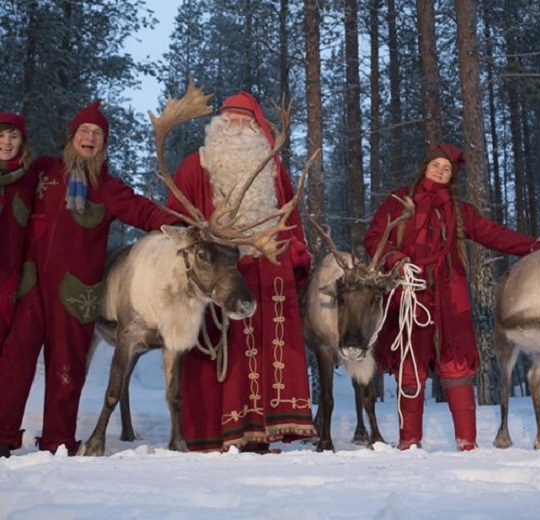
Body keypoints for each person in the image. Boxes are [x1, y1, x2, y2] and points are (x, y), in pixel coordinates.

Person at [0, 101, 180, 458]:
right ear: (72, 136)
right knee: (14, 362)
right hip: (32, 285)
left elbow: (142, 210)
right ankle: (3, 434)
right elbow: (12, 178)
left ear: (104, 143)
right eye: (84, 131)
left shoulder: (108, 187)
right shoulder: (44, 170)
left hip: (76, 293)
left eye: (97, 134)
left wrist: (180, 224)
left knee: (67, 368)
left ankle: (58, 439)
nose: (90, 138)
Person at [364, 142, 540, 452]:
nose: (440, 170)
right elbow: (373, 238)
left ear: (452, 177)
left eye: (446, 169)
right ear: (425, 167)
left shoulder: (460, 211)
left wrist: (537, 247)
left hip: (450, 296)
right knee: (410, 363)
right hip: (409, 294)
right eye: (436, 165)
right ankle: (409, 442)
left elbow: (494, 234)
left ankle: (467, 443)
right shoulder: (398, 201)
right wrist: (395, 260)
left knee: (456, 363)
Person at [167, 91, 316, 453]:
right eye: (229, 121)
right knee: (222, 351)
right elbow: (175, 220)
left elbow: (289, 216)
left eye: (244, 122)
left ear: (256, 127)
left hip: (267, 267)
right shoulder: (194, 166)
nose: (237, 128)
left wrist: (296, 255)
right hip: (218, 273)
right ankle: (218, 433)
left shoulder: (272, 167)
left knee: (269, 347)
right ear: (218, 126)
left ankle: (264, 431)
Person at [0, 113, 37, 351]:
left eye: (13, 136)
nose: (6, 142)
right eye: (1, 135)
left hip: (9, 276)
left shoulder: (30, 179)